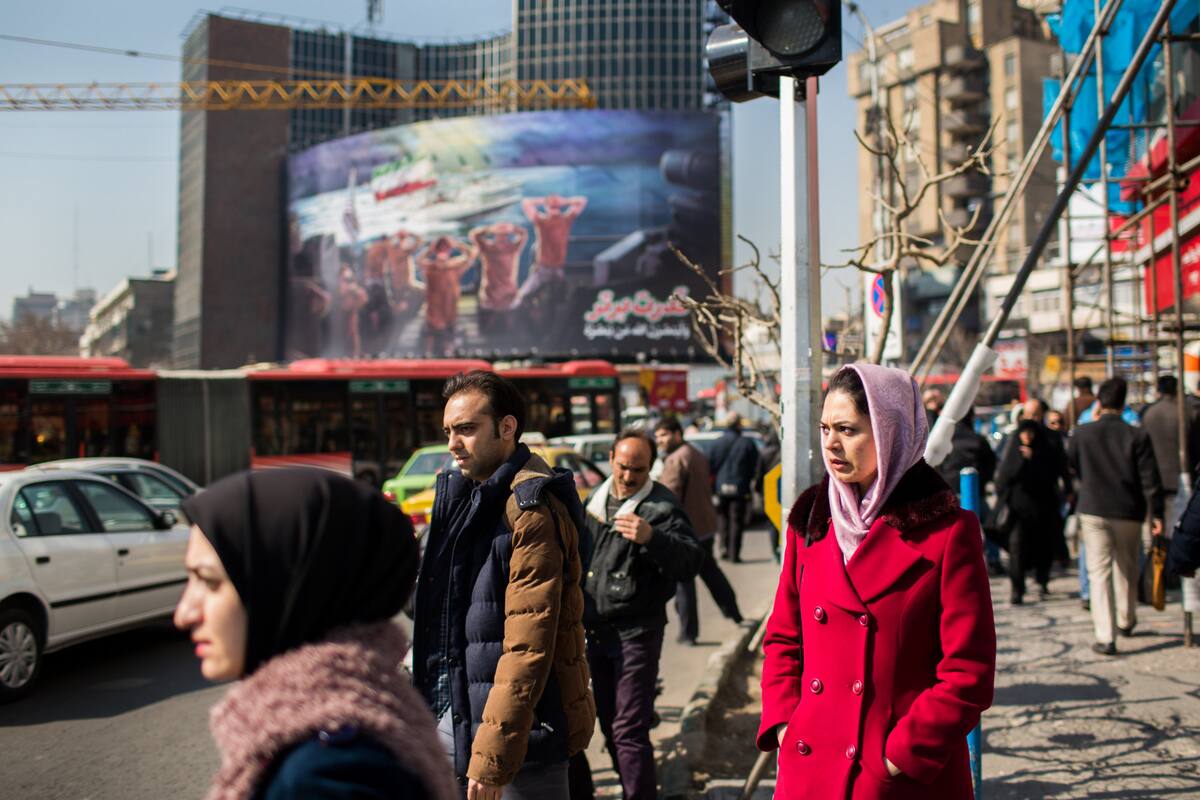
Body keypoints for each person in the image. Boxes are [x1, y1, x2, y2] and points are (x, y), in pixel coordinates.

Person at [757, 364, 995, 799]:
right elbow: (783, 638)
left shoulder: (946, 531)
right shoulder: (811, 519)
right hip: (812, 766)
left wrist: (900, 754)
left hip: (899, 775)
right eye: (826, 427)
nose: (830, 443)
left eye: (847, 429)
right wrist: (785, 723)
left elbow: (968, 671)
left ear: (890, 432)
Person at [174, 468, 457, 800]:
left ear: (282, 587)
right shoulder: (370, 707)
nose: (184, 614)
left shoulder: (322, 775)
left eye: (210, 581)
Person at [412, 371, 595, 799]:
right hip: (464, 717)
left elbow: (527, 648)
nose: (453, 444)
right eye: (448, 432)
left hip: (524, 738)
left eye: (467, 429)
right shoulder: (472, 497)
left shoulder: (530, 511)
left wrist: (493, 756)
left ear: (507, 427)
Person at [583, 429, 705, 800]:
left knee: (628, 729)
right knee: (607, 724)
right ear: (611, 460)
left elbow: (690, 563)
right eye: (622, 467)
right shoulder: (594, 501)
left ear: (650, 468)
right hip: (595, 633)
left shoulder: (661, 508)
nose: (627, 477)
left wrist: (653, 537)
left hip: (637, 633)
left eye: (637, 470)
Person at [1068, 377, 1164, 656]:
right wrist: (1155, 512)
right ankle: (1126, 618)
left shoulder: (1082, 433)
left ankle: (1105, 635)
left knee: (1098, 572)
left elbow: (1071, 464)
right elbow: (1149, 478)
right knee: (1128, 567)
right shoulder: (1136, 434)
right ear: (1124, 402)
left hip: (1093, 507)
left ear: (1099, 401)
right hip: (1128, 509)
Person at [653, 416, 743, 644]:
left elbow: (668, 500)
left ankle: (688, 633)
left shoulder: (675, 460)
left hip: (686, 531)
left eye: (663, 435)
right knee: (711, 573)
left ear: (676, 434)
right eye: (657, 437)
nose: (660, 440)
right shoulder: (695, 453)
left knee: (685, 582)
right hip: (705, 525)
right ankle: (733, 612)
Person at [995, 420, 1067, 604]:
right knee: (1017, 548)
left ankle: (1042, 580)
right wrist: (1021, 461)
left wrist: (1034, 459)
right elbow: (1003, 478)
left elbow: (1052, 475)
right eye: (1023, 433)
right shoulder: (1013, 451)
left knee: (1043, 547)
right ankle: (1017, 589)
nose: (1027, 437)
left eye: (1030, 433)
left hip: (1043, 509)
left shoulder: (1044, 451)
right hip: (1018, 511)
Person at [514, 194, 587, 307]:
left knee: (560, 299)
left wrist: (561, 201)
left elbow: (582, 200)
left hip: (558, 268)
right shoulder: (541, 220)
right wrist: (546, 201)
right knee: (523, 296)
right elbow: (526, 203)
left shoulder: (566, 219)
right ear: (546, 207)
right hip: (543, 268)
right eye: (552, 206)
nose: (554, 207)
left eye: (556, 206)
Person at [1140, 374, 1200, 510]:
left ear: (1159, 390)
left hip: (1153, 474)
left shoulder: (1148, 412)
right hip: (1182, 473)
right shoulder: (1189, 411)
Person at [708, 412, 762, 562]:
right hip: (740, 488)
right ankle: (734, 554)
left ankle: (723, 548)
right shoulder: (747, 443)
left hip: (720, 488)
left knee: (722, 519)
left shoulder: (717, 443)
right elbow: (755, 466)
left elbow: (710, 466)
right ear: (739, 424)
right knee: (737, 520)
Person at [418, 236, 477, 357]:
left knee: (450, 337)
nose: (442, 251)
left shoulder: (454, 266)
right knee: (432, 338)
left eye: (445, 248)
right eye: (440, 248)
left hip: (450, 311)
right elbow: (419, 261)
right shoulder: (430, 267)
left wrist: (457, 245)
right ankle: (429, 358)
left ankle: (449, 353)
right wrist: (431, 249)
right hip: (434, 313)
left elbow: (471, 254)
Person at [470, 222, 527, 321]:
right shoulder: (488, 248)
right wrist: (490, 229)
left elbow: (523, 234)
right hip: (491, 295)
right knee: (491, 326)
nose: (502, 237)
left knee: (508, 326)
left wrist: (510, 228)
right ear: (495, 235)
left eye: (504, 235)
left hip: (508, 295)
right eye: (499, 234)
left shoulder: (512, 248)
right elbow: (474, 235)